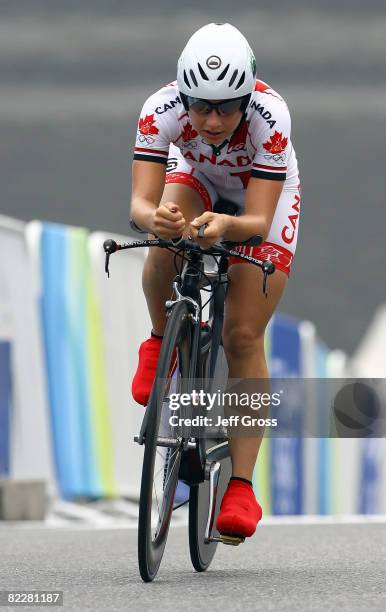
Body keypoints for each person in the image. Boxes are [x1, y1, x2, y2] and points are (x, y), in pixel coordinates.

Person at [130, 23, 300, 539]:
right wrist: (155, 220)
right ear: (182, 97)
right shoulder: (159, 110)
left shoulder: (271, 118)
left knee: (244, 336)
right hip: (197, 179)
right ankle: (161, 341)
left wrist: (228, 226)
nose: (211, 119)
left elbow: (256, 222)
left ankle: (242, 486)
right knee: (166, 229)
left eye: (227, 107)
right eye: (200, 106)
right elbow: (139, 204)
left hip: (259, 198)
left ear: (248, 98)